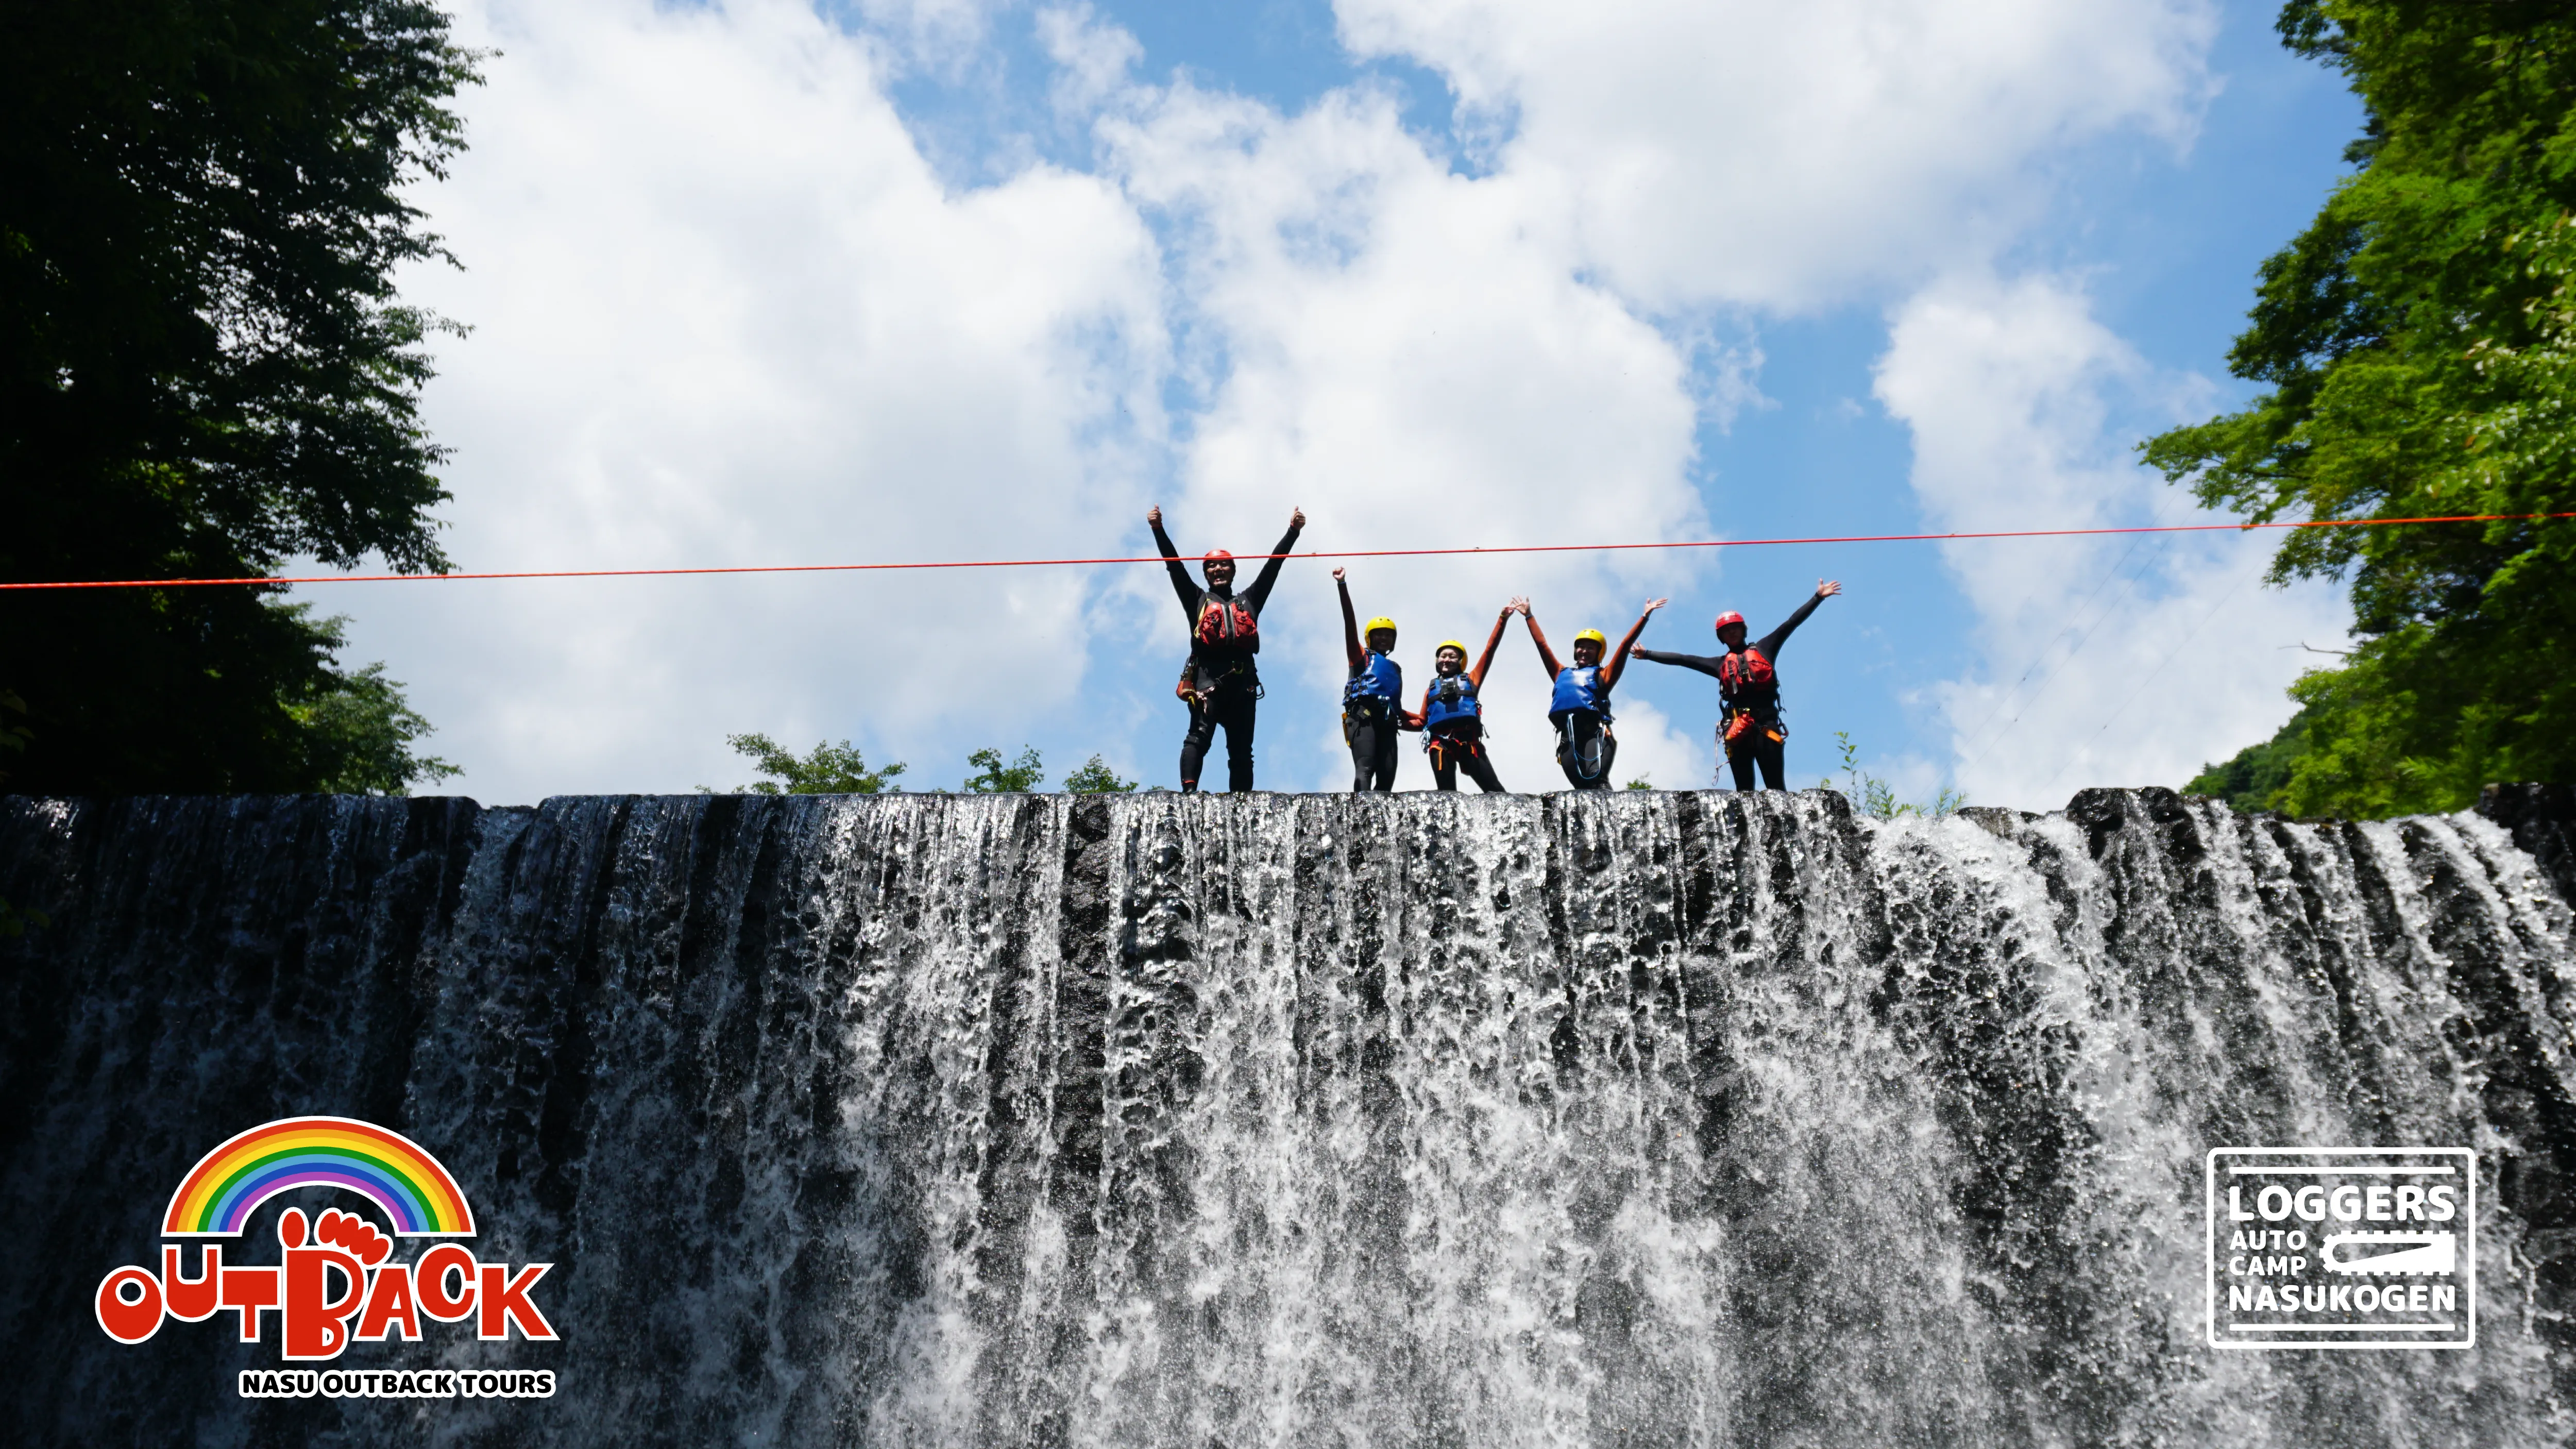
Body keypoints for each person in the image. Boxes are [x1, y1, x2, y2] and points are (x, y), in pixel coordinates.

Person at [1149, 504, 1304, 791]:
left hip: (1242, 687)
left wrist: (1292, 532)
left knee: (1242, 752)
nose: (1218, 569)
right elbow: (1175, 566)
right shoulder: (1197, 600)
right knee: (1198, 738)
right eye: (1211, 566)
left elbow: (1274, 566)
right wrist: (1158, 529)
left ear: (1233, 570)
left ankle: (1241, 806)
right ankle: (1189, 794)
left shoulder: (1250, 601)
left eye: (1224, 565)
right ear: (1206, 574)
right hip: (1208, 684)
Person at [1631, 579, 1841, 790]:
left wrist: (1818, 597)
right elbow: (1683, 659)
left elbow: (1791, 623)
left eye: (1735, 628)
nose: (1731, 632)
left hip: (1766, 725)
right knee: (1744, 792)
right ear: (1720, 637)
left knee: (1776, 788)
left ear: (1743, 629)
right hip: (1737, 729)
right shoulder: (1719, 664)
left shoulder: (1765, 648)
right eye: (1726, 631)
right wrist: (1647, 654)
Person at [1514, 595, 1666, 789]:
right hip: (1568, 737)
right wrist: (1529, 616)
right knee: (1579, 787)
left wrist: (1644, 617)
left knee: (1598, 781)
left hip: (1596, 735)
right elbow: (1542, 645)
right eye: (1581, 647)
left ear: (1599, 653)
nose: (1584, 651)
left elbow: (1625, 644)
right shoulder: (1561, 672)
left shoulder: (1604, 675)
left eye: (1590, 648)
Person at [1410, 605, 1514, 793]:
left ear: (1460, 661)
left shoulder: (1472, 679)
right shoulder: (1431, 690)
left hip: (1469, 743)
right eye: (1443, 656)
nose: (1447, 660)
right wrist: (1392, 719)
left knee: (1495, 790)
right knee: (1447, 794)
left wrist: (1502, 619)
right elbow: (1421, 722)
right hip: (1441, 744)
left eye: (1452, 656)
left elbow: (1489, 650)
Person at [1333, 567, 1404, 791]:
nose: (1383, 638)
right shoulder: (1360, 657)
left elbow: (1400, 711)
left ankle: (1381, 825)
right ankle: (1360, 819)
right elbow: (1349, 624)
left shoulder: (1395, 669)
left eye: (1388, 635)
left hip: (1388, 722)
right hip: (1362, 717)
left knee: (1387, 780)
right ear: (1370, 638)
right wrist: (1342, 586)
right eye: (1379, 634)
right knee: (1365, 769)